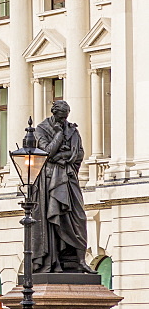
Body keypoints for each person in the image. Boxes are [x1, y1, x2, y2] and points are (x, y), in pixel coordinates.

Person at [34, 100, 92, 274]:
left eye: (66, 117)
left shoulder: (73, 129)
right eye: (61, 117)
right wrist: (59, 135)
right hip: (51, 180)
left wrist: (63, 156)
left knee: (78, 217)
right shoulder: (41, 130)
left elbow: (79, 153)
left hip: (68, 177)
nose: (64, 121)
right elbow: (47, 153)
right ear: (54, 113)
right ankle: (55, 261)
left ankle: (80, 261)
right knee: (54, 219)